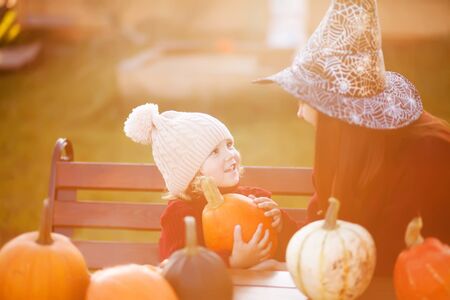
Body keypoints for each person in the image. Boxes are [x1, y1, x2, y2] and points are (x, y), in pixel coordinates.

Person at [256, 0, 450, 275]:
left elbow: (395, 257)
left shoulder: (429, 154)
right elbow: (332, 241)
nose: (299, 113)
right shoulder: (344, 152)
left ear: (336, 113)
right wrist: (284, 230)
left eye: (304, 99)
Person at [123, 103, 295, 269]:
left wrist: (281, 226)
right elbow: (179, 266)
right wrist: (232, 262)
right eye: (214, 152)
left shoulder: (253, 199)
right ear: (192, 173)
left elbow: (292, 250)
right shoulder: (182, 215)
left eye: (229, 145)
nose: (230, 155)